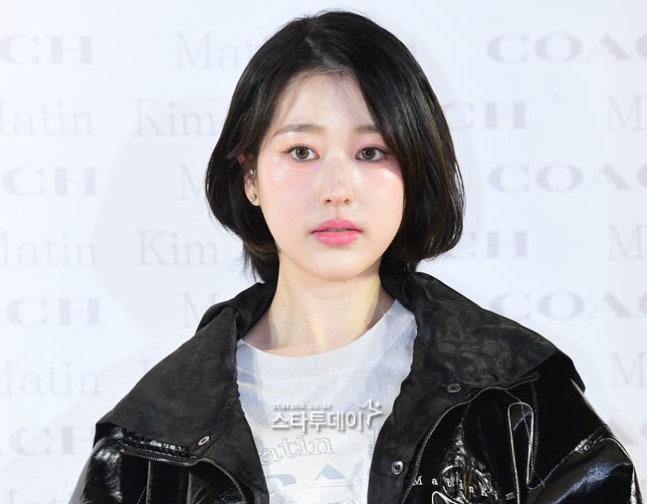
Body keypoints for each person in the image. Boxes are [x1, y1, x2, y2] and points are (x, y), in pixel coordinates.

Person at [71, 10, 641, 504]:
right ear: (250, 177)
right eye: (302, 151)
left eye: (371, 152)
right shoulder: (152, 434)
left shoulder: (517, 396)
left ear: (413, 169)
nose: (337, 188)